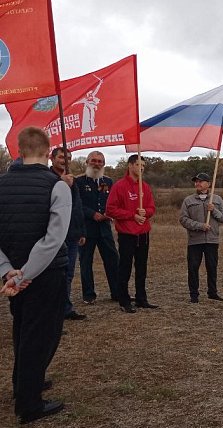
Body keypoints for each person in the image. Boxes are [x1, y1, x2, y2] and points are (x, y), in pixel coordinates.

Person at [0, 127, 70, 423]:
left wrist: (8, 272)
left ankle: (24, 382)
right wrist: (23, 274)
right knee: (40, 335)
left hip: (14, 274)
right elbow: (53, 241)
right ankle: (29, 404)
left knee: (23, 330)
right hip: (44, 274)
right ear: (48, 149)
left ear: (18, 149)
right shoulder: (58, 186)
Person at [106, 154, 158, 312]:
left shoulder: (145, 187)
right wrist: (132, 215)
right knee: (125, 267)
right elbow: (111, 209)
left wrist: (145, 212)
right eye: (138, 165)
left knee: (141, 267)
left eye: (143, 166)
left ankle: (141, 298)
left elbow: (152, 208)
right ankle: (124, 300)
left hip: (143, 233)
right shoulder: (119, 186)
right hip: (127, 234)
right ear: (130, 165)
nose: (141, 168)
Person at [75, 151, 121, 305]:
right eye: (93, 160)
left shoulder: (108, 181)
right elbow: (77, 204)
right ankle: (89, 295)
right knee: (86, 262)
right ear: (87, 162)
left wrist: (110, 212)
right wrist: (92, 214)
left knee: (113, 260)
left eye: (100, 161)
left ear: (104, 164)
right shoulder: (79, 181)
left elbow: (112, 201)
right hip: (86, 229)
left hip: (104, 228)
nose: (96, 164)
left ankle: (117, 292)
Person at [179, 172, 223, 303]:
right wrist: (200, 226)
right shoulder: (188, 200)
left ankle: (212, 292)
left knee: (212, 267)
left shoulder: (217, 199)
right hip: (195, 240)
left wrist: (214, 210)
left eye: (201, 181)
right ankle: (194, 295)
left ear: (209, 184)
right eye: (196, 181)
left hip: (212, 240)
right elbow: (183, 219)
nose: (198, 183)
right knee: (193, 267)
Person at [50, 147, 87, 321]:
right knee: (53, 275)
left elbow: (77, 207)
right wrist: (60, 183)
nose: (65, 160)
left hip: (72, 234)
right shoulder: (47, 178)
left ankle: (65, 307)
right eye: (61, 157)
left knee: (68, 273)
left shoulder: (73, 180)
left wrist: (81, 231)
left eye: (69, 157)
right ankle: (53, 311)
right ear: (52, 158)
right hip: (54, 235)